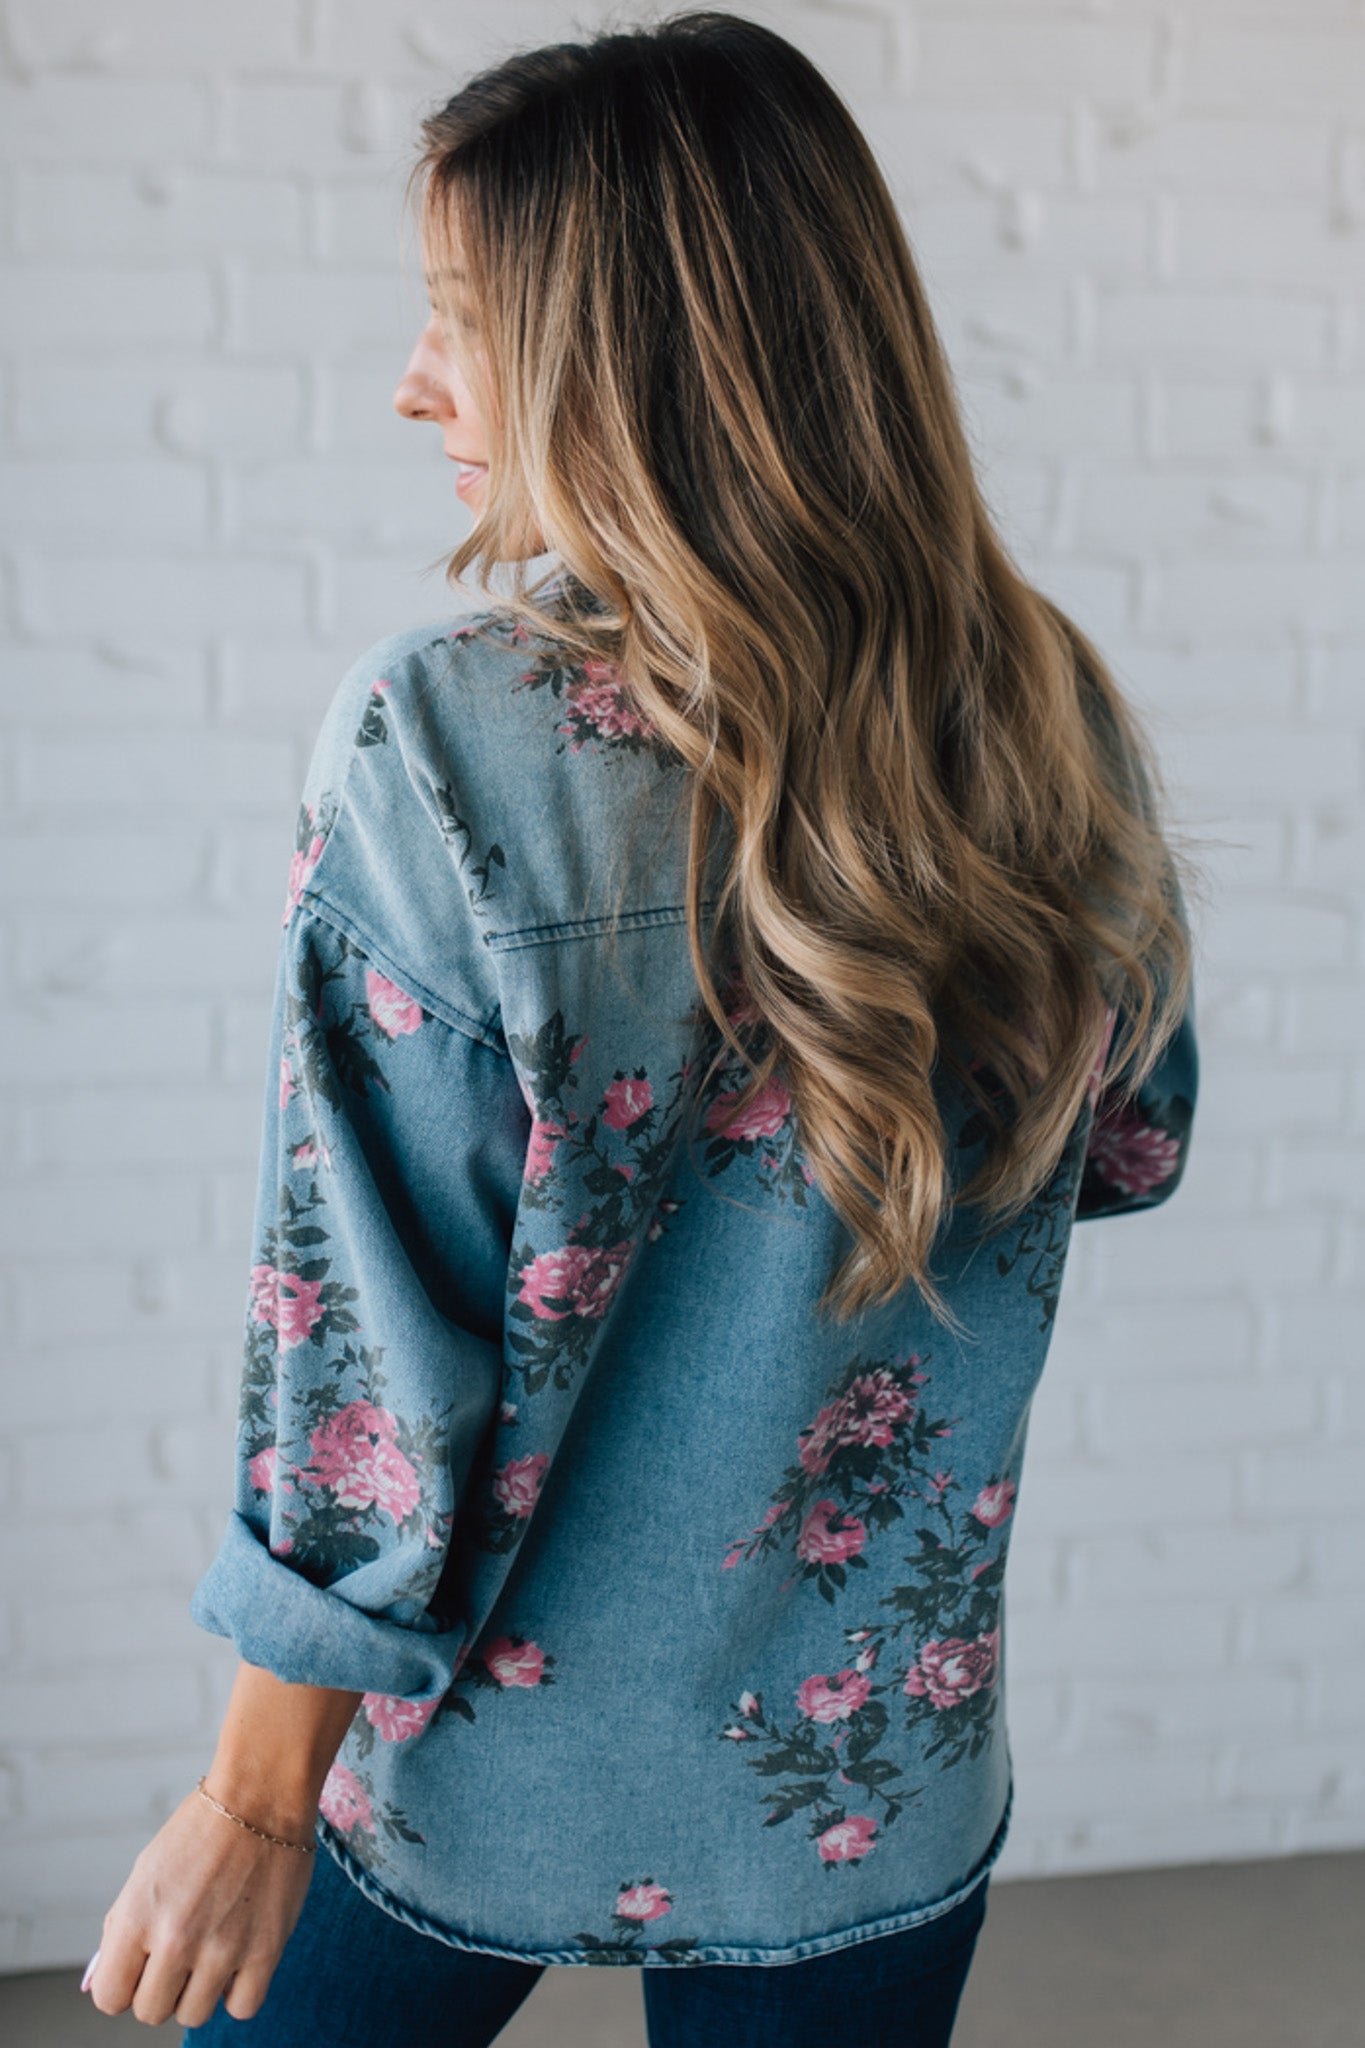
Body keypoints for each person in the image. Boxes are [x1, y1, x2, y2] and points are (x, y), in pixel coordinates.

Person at [79, 11, 1201, 2043]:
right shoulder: (1047, 714)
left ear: (635, 353)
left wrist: (252, 1796)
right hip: (858, 1768)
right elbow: (1125, 1148)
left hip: (462, 1749)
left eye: (459, 319)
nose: (412, 378)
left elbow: (362, 1355)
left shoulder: (445, 744)